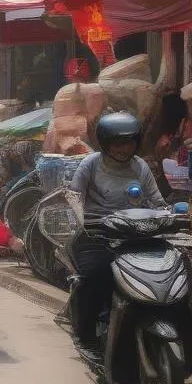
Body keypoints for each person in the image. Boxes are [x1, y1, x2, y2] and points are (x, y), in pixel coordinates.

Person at [68, 112, 166, 357]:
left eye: (130, 142)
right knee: (96, 275)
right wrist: (80, 219)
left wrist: (167, 214)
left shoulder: (140, 166)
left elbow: (156, 201)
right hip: (95, 234)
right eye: (118, 143)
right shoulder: (90, 164)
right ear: (105, 143)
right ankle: (86, 336)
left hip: (134, 235)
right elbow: (73, 196)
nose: (124, 148)